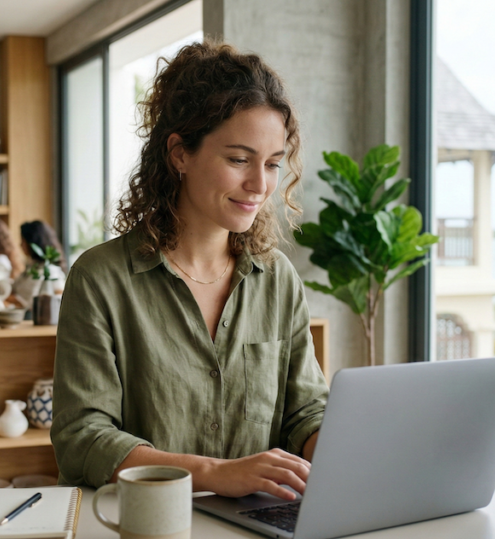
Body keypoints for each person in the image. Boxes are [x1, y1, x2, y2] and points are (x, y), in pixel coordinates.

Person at [51, 41, 327, 502]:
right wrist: (214, 473)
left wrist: (342, 452)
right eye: (239, 159)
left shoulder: (277, 279)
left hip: (255, 522)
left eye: (273, 164)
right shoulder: (100, 279)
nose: (260, 184)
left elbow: (306, 412)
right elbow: (82, 438)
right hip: (142, 522)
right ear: (179, 153)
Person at [7, 220, 66, 310]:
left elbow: (58, 298)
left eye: (23, 240)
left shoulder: (50, 271)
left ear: (32, 242)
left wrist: (15, 301)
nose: (20, 245)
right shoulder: (31, 267)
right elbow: (13, 289)